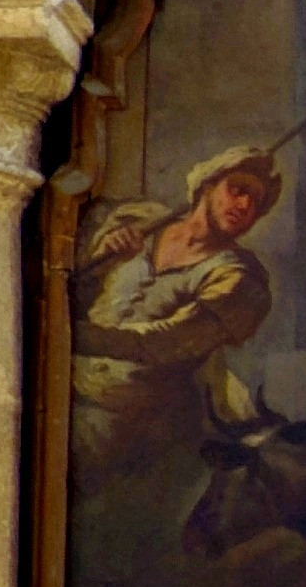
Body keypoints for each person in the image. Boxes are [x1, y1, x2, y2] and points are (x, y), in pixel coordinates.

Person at [69, 146, 282, 473]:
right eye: (237, 190)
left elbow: (163, 344)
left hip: (129, 417)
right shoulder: (140, 224)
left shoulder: (240, 281)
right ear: (207, 186)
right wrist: (98, 264)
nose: (244, 206)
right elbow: (70, 297)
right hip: (68, 380)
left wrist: (66, 336)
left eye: (255, 203)